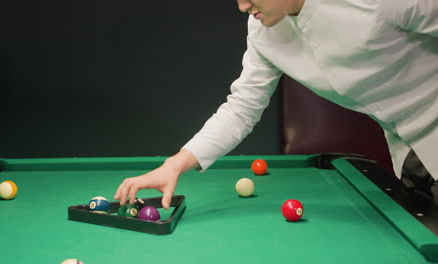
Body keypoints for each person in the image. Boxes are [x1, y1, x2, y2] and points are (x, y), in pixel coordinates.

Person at [115, 0, 438, 209]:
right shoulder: (263, 32)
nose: (241, 5)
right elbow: (242, 107)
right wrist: (176, 164)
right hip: (408, 153)